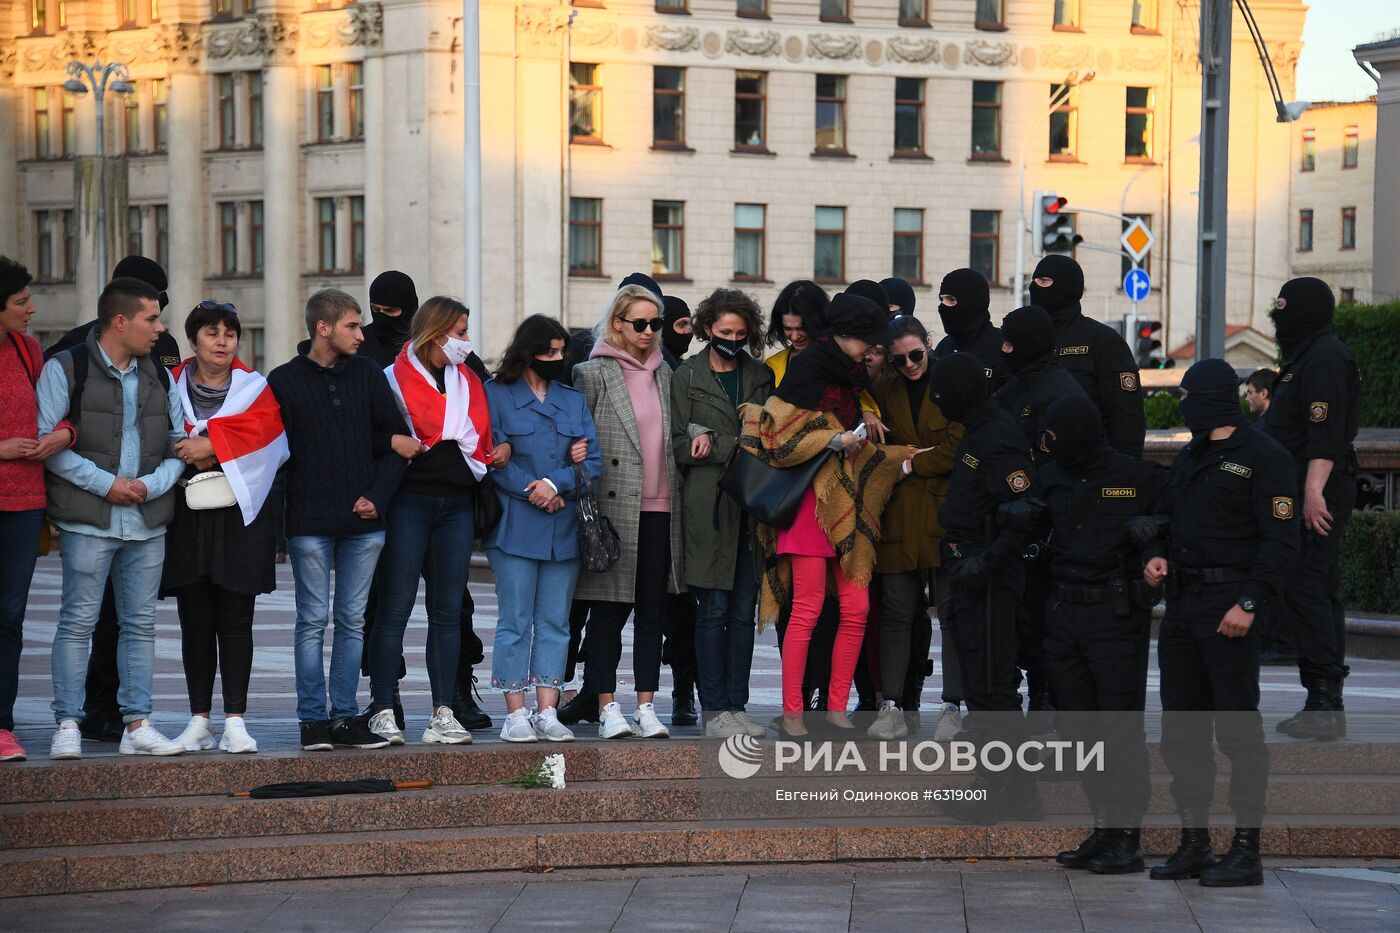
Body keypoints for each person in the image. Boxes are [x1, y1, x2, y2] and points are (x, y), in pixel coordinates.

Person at [1145, 358, 1298, 887]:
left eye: (1187, 394)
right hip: (1184, 607)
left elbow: (1281, 542)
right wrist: (1158, 555)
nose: (1182, 403)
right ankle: (1194, 843)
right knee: (1181, 733)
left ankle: (1246, 850)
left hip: (1230, 607)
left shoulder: (1265, 457)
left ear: (1211, 397)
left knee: (1237, 733)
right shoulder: (1192, 455)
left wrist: (1250, 603)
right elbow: (1170, 519)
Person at [38, 277, 187, 759]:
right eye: (152, 318)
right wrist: (109, 485)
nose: (160, 328)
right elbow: (48, 445)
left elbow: (180, 441)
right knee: (77, 622)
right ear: (120, 321)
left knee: (141, 624)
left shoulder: (160, 373)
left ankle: (137, 723)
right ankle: (66, 723)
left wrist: (150, 485)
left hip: (148, 519)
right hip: (88, 521)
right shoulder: (66, 367)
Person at [745, 293, 905, 738]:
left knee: (857, 607)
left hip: (844, 502)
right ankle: (794, 714)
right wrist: (834, 441)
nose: (872, 352)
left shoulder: (849, 370)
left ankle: (836, 708)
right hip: (810, 507)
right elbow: (775, 432)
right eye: (868, 344)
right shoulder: (811, 366)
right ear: (845, 336)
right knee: (808, 610)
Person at [268, 288, 415, 752]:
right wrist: (278, 526)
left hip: (364, 523)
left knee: (352, 621)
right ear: (323, 328)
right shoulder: (283, 380)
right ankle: (312, 720)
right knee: (312, 620)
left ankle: (345, 716)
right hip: (309, 520)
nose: (361, 332)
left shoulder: (369, 373)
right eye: (352, 325)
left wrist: (378, 497)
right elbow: (271, 456)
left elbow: (398, 441)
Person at [354, 271, 493, 735]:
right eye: (459, 333)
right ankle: (382, 707)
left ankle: (443, 710)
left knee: (447, 611)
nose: (465, 342)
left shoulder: (469, 379)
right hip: (409, 503)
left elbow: (483, 438)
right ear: (436, 334)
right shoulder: (392, 378)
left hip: (455, 505)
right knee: (393, 606)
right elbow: (376, 438)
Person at [1036, 395, 1168, 874]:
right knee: (1079, 729)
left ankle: (1127, 837)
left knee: (1118, 727)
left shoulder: (1140, 477)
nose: (1047, 443)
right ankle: (1103, 827)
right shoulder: (1052, 477)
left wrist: (1156, 541)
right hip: (1065, 613)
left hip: (1114, 616)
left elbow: (1179, 518)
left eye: (1054, 434)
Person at [163, 301, 288, 754]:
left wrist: (210, 446)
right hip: (185, 515)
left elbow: (272, 439)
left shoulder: (256, 389)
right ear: (193, 339)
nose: (221, 341)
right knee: (193, 619)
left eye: (229, 334)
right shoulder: (168, 385)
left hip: (241, 515)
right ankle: (199, 719)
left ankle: (236, 719)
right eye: (211, 333)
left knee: (237, 619)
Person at [928, 351, 1041, 823]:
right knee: (982, 684)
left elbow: (1027, 513)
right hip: (971, 574)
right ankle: (1008, 788)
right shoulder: (979, 429)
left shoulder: (997, 437)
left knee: (993, 687)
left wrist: (986, 562)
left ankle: (1000, 790)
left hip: (991, 580)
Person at [572, 283, 685, 739]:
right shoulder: (592, 372)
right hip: (613, 511)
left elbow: (674, 427)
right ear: (617, 323)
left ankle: (646, 705)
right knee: (607, 613)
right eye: (639, 323)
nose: (648, 332)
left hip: (661, 507)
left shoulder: (667, 374)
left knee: (652, 613)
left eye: (655, 324)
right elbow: (579, 435)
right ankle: (606, 706)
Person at [486, 316, 601, 742]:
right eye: (548, 352)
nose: (557, 359)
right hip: (516, 524)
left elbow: (593, 461)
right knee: (514, 621)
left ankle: (547, 709)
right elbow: (490, 455)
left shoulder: (572, 400)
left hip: (564, 525)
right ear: (526, 351)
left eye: (561, 352)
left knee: (556, 622)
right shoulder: (496, 394)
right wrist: (533, 488)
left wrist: (557, 484)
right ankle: (515, 711)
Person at [670, 288, 774, 739]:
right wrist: (703, 443)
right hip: (706, 504)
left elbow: (771, 439)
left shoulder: (761, 375)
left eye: (739, 332)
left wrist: (723, 442)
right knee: (711, 611)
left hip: (751, 503)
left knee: (742, 610)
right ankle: (714, 709)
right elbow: (675, 444)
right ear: (706, 328)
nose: (731, 338)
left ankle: (737, 705)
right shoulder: (687, 376)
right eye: (723, 331)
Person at [1259, 278, 1360, 741]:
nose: (1278, 318)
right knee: (1319, 587)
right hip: (1307, 484)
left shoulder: (1324, 358)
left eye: (1284, 309)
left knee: (1304, 586)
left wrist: (1312, 492)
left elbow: (1325, 434)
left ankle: (1323, 701)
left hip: (1316, 488)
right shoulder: (1306, 356)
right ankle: (1326, 699)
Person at [868, 315, 963, 740]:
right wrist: (908, 457)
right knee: (896, 613)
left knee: (953, 614)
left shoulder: (954, 380)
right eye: (900, 358)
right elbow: (874, 448)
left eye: (917, 354)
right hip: (899, 513)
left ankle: (952, 705)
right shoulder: (882, 388)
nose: (910, 365)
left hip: (946, 516)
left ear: (929, 344)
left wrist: (909, 461)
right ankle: (889, 704)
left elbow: (958, 447)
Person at [995, 304, 1088, 729]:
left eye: (1011, 343)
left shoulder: (1059, 391)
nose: (1004, 350)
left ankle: (1048, 706)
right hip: (1011, 526)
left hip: (1049, 530)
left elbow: (1069, 465)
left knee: (1044, 625)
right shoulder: (1016, 385)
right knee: (1019, 626)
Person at [0, 257, 73, 762]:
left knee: (10, 617)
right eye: (22, 301)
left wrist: (62, 434)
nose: (32, 308)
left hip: (25, 503)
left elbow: (57, 409)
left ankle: (2, 724)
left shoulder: (28, 351)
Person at [1028, 254, 1146, 456]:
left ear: (1066, 287)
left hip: (1083, 466)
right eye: (1034, 281)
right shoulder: (1026, 338)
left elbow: (1125, 416)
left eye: (1044, 281)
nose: (1034, 287)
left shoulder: (1102, 341)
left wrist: (1118, 472)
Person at [932, 268, 1008, 390]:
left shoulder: (1001, 347)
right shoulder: (945, 346)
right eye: (941, 299)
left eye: (951, 300)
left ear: (972, 303)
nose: (943, 306)